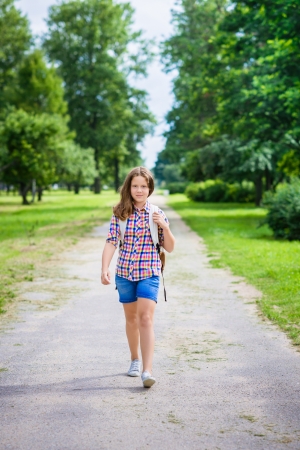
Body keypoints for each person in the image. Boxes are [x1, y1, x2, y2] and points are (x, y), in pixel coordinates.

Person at [101, 166, 175, 388]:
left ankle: (147, 370)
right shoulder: (120, 213)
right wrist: (104, 267)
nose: (139, 190)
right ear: (129, 187)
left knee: (145, 319)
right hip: (124, 273)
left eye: (144, 186)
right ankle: (135, 359)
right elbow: (112, 241)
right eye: (135, 186)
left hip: (149, 272)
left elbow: (169, 247)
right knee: (131, 319)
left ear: (150, 188)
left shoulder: (156, 214)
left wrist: (164, 227)